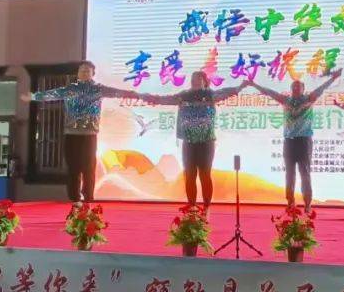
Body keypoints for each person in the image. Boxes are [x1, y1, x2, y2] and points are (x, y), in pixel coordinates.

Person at [123, 72, 249, 207]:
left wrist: (241, 86)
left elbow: (229, 92)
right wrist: (140, 96)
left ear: (204, 81)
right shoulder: (184, 96)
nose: (195, 81)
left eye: (198, 79)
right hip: (189, 142)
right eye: (193, 79)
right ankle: (192, 205)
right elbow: (162, 100)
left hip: (206, 142)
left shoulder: (211, 95)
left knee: (205, 175)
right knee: (190, 175)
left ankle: (206, 206)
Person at [22, 61, 128, 202]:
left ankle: (88, 197)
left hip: (89, 135)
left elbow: (119, 92)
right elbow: (52, 94)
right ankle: (74, 198)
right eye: (81, 70)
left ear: (93, 73)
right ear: (78, 73)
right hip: (71, 134)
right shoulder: (70, 89)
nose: (84, 73)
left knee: (89, 168)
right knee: (73, 168)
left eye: (87, 71)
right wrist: (34, 96)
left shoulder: (98, 89)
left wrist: (141, 96)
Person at [249, 69, 343, 212]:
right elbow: (268, 92)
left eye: (298, 87)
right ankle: (290, 202)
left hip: (304, 142)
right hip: (289, 142)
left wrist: (333, 78)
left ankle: (307, 204)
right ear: (291, 89)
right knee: (289, 174)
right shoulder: (285, 100)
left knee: (304, 173)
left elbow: (321, 88)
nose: (296, 88)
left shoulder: (309, 99)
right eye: (293, 86)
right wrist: (254, 84)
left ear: (303, 89)